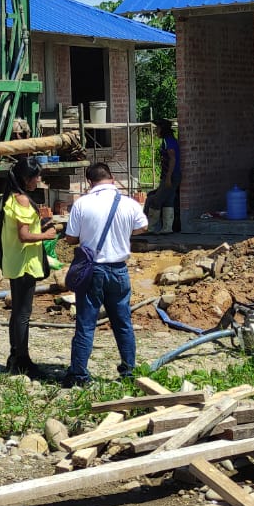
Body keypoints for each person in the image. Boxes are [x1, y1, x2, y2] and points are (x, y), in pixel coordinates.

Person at [60, 162, 148, 387]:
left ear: (90, 182)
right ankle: (128, 371)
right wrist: (124, 231)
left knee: (86, 324)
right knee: (123, 323)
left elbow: (70, 238)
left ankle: (79, 374)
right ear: (111, 177)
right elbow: (143, 227)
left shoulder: (82, 204)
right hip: (119, 270)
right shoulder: (129, 204)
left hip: (92, 271)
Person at [1, 157, 60, 378]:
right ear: (27, 179)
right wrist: (45, 235)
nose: (39, 180)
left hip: (17, 261)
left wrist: (41, 224)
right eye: (37, 176)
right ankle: (22, 361)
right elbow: (24, 235)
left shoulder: (10, 197)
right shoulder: (23, 200)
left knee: (17, 312)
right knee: (23, 313)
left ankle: (14, 357)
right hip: (25, 263)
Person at [144, 120, 180, 232]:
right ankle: (167, 228)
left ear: (162, 130)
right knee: (168, 200)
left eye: (157, 129)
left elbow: (172, 159)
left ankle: (151, 227)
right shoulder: (172, 140)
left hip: (170, 176)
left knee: (156, 200)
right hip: (174, 175)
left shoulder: (167, 141)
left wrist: (168, 176)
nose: (156, 131)